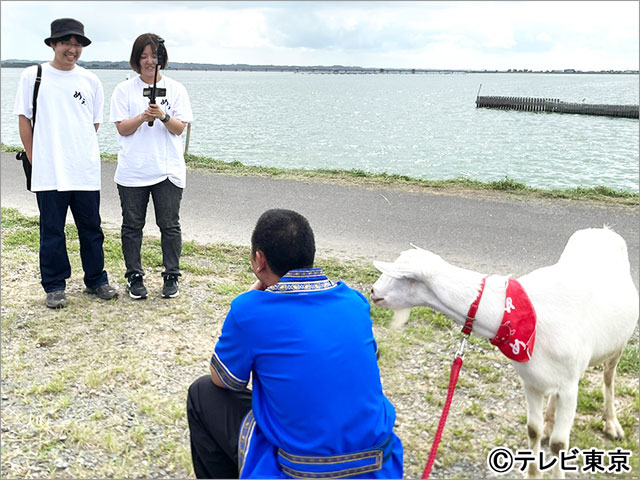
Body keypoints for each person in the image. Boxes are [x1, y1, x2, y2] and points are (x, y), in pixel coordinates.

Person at [186, 209, 403, 479]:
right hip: (378, 464)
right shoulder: (353, 301)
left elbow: (224, 381)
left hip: (300, 470)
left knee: (202, 392)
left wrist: (256, 289)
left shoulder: (250, 310)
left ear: (259, 260)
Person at [14, 18, 118, 309]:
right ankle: (55, 285)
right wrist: (36, 157)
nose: (72, 49)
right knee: (52, 230)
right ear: (52, 44)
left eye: (78, 44)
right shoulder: (33, 75)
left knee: (92, 228)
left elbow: (92, 123)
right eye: (66, 43)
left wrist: (76, 149)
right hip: (49, 171)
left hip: (84, 169)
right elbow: (24, 120)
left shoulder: (91, 80)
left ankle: (96, 279)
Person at [109, 33, 193, 300]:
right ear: (136, 60)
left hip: (167, 170)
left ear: (162, 59)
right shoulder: (124, 90)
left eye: (154, 57)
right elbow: (122, 128)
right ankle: (134, 276)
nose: (149, 62)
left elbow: (179, 128)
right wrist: (143, 116)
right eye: (143, 56)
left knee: (169, 225)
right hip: (133, 170)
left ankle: (171, 276)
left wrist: (163, 115)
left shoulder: (177, 89)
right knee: (132, 226)